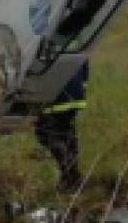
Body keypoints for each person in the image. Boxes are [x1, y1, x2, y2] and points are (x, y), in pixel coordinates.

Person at [34, 60, 88, 191]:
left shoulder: (47, 46)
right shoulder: (75, 45)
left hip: (56, 98)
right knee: (67, 133)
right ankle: (73, 176)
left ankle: (69, 174)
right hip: (76, 98)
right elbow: (85, 74)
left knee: (47, 134)